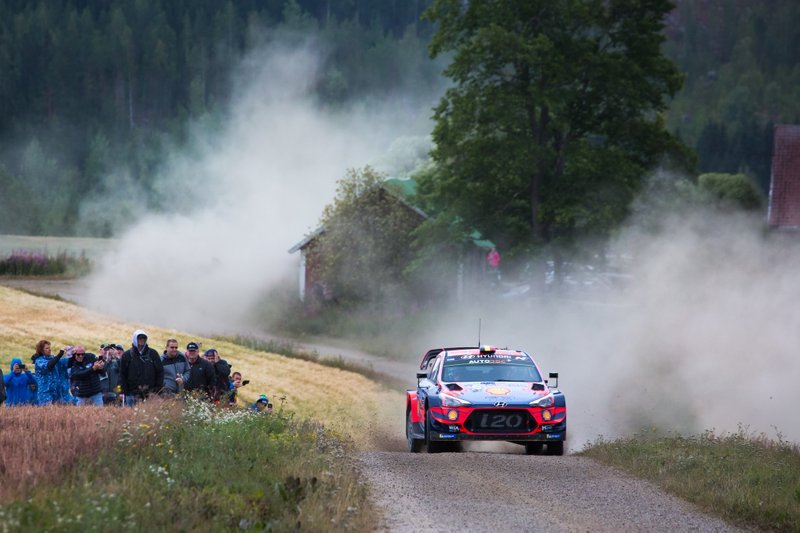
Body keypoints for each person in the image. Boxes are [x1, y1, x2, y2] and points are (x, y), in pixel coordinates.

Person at [120, 330, 164, 406]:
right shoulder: (127, 355)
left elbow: (160, 372)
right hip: (131, 394)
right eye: (139, 338)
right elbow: (122, 374)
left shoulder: (153, 354)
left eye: (144, 338)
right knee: (131, 417)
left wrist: (156, 390)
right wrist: (125, 391)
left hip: (150, 394)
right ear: (135, 339)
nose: (142, 340)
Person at [32, 339, 75, 405]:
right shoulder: (39, 361)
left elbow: (68, 364)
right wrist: (60, 354)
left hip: (57, 393)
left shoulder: (53, 358)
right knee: (47, 413)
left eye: (49, 348)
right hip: (45, 393)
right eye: (47, 348)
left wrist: (74, 355)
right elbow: (49, 366)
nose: (50, 349)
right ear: (41, 350)